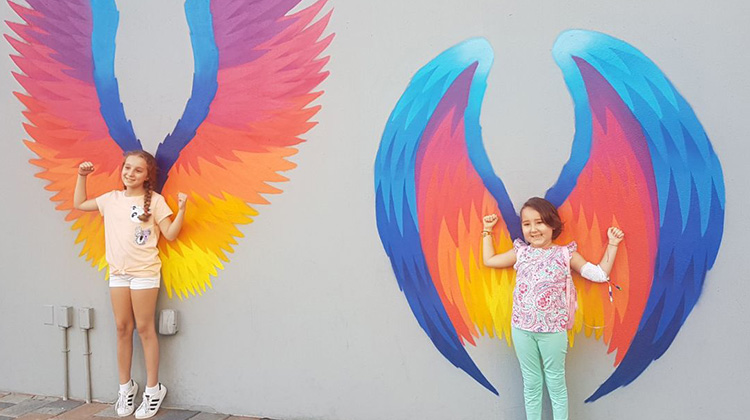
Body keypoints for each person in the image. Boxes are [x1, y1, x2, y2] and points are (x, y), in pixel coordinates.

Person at [482, 197, 624, 420]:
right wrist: (487, 231)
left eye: (539, 222)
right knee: (531, 383)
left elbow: (599, 274)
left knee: (556, 383)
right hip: (522, 329)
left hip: (553, 332)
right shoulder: (521, 252)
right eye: (527, 224)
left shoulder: (565, 254)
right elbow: (489, 260)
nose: (533, 229)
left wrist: (613, 244)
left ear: (552, 225)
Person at [73, 151, 186, 419]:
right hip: (118, 274)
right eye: (127, 167)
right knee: (123, 328)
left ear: (148, 176)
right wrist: (81, 176)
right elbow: (79, 204)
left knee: (145, 328)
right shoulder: (110, 200)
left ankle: (153, 389)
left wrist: (181, 211)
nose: (130, 173)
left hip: (145, 273)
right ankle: (126, 387)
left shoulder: (156, 202)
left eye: (137, 170)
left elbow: (170, 234)